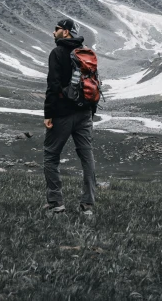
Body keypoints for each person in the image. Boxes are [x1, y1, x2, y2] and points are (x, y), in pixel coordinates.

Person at [43, 17, 97, 216]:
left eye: (56, 29)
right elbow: (94, 82)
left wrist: (48, 114)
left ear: (65, 32)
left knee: (51, 156)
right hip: (84, 113)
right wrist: (91, 112)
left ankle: (56, 204)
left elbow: (53, 85)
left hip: (62, 114)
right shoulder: (86, 53)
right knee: (87, 157)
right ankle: (87, 206)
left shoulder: (57, 52)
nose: (53, 32)